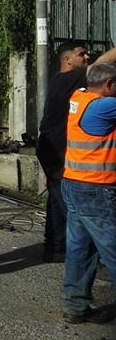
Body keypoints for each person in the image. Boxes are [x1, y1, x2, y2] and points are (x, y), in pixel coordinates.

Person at [36, 42, 116, 263]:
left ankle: (54, 247)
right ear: (67, 60)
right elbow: (102, 64)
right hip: (57, 150)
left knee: (56, 198)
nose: (87, 57)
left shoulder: (60, 81)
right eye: (81, 54)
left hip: (50, 147)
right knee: (75, 207)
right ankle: (86, 254)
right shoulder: (67, 78)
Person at [59, 61, 116, 324]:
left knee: (79, 248)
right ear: (108, 85)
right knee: (111, 248)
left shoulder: (78, 97)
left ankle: (75, 305)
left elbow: (93, 68)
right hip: (97, 187)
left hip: (73, 183)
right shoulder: (105, 106)